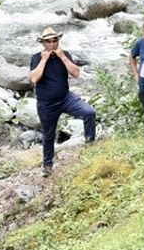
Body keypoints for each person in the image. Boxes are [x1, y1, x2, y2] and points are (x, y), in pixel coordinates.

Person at [28, 27, 97, 176]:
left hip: (66, 98)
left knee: (89, 113)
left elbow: (76, 73)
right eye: (48, 41)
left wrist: (63, 57)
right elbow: (34, 78)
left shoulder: (65, 55)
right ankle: (47, 167)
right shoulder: (36, 58)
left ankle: (91, 144)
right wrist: (44, 59)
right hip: (46, 104)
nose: (52, 44)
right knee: (48, 135)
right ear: (43, 43)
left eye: (55, 41)